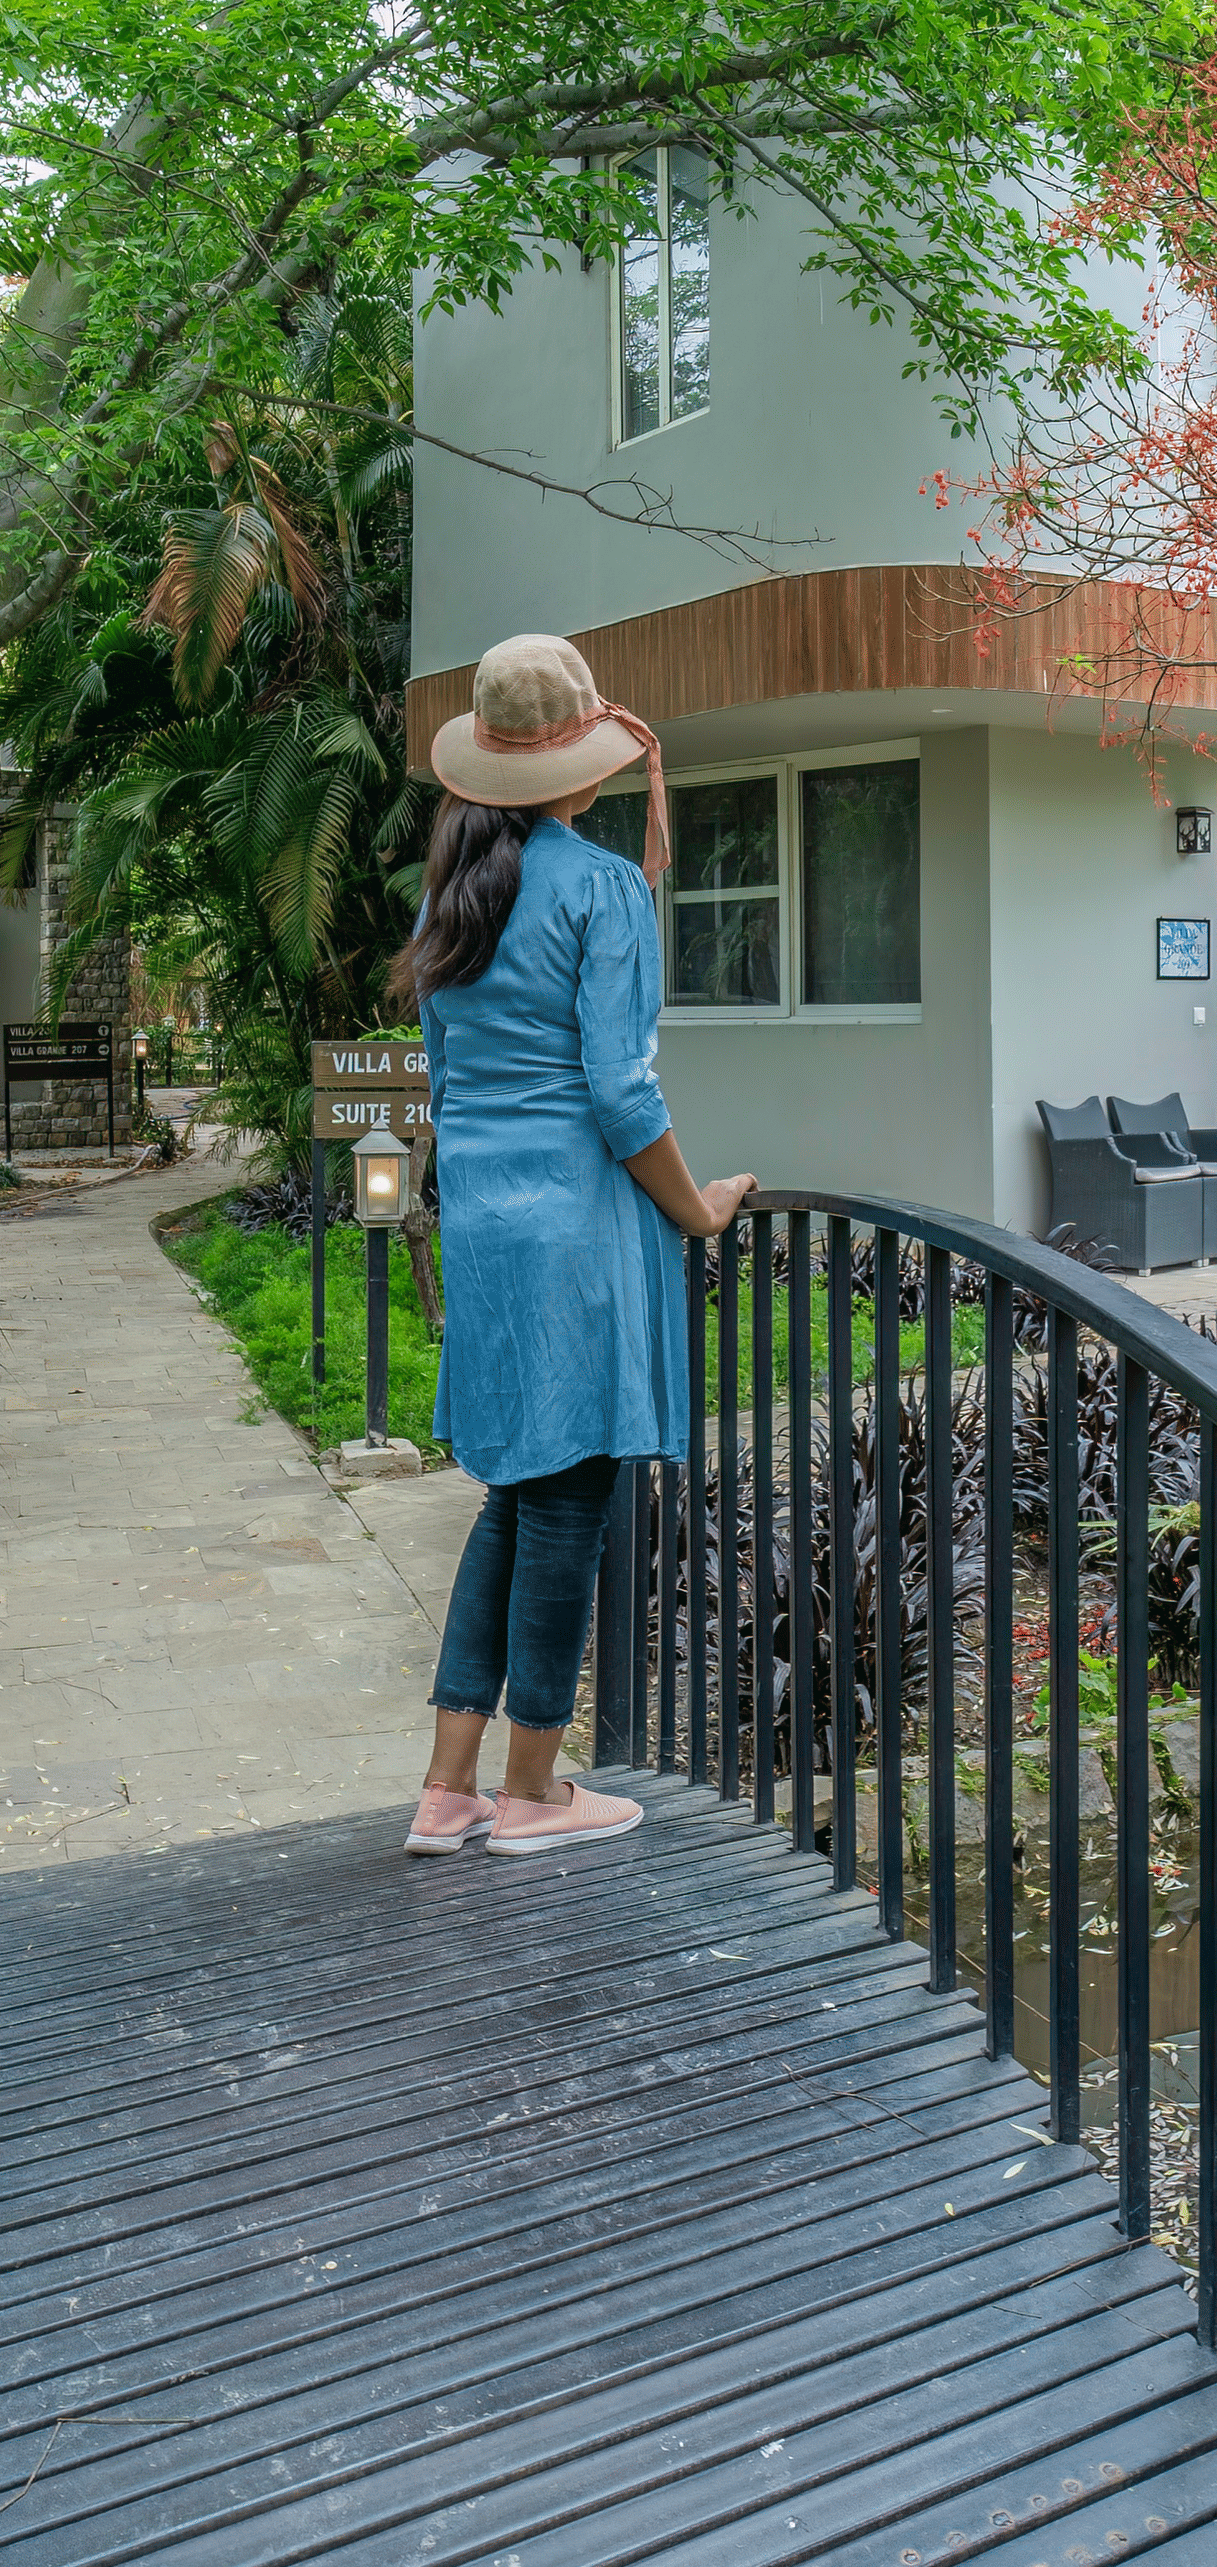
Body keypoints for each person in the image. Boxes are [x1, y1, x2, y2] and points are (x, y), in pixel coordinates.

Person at [385, 632, 756, 1857]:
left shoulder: (455, 895)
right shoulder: (598, 887)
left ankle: (451, 1788)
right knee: (570, 1503)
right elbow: (622, 1093)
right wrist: (700, 1206)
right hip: (580, 1238)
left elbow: (447, 1083)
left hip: (489, 1229)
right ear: (581, 769)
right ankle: (534, 1792)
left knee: (519, 1493)